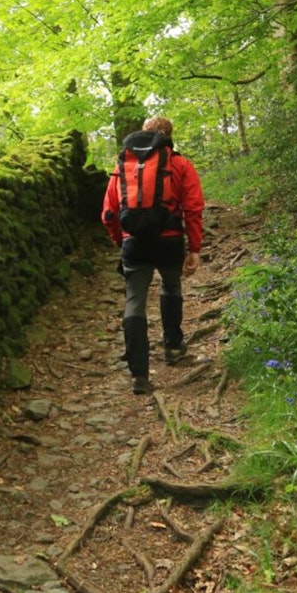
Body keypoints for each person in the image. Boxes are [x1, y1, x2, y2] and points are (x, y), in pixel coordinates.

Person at [101, 116, 205, 394]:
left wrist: (119, 240)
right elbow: (193, 207)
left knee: (134, 301)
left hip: (134, 244)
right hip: (169, 241)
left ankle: (139, 375)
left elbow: (108, 213)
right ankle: (172, 346)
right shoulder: (180, 164)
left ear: (142, 134)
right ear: (169, 135)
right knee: (171, 286)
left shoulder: (123, 165)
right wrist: (194, 248)